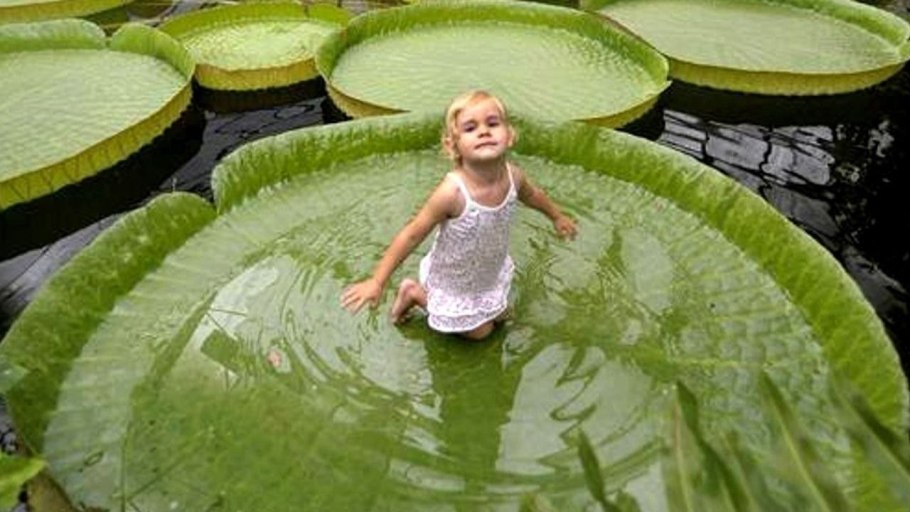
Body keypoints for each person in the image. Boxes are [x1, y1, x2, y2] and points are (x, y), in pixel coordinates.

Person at [341, 90, 577, 340]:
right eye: (470, 128)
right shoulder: (452, 194)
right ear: (453, 145)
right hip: (454, 277)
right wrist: (377, 281)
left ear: (510, 136)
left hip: (487, 268)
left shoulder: (513, 176)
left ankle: (480, 307)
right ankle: (414, 293)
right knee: (480, 333)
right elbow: (411, 235)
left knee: (502, 315)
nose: (484, 131)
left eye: (493, 123)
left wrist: (557, 216)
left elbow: (533, 195)